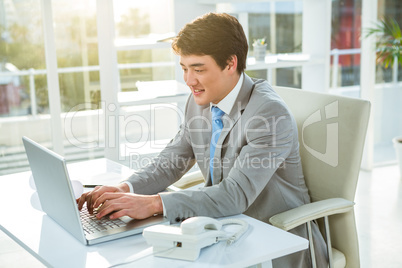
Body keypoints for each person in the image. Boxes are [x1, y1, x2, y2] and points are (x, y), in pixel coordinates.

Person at [77, 12, 328, 267]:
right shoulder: (200, 101)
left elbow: (234, 196)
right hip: (224, 231)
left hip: (276, 242)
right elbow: (172, 161)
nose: (189, 81)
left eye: (198, 69)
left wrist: (153, 204)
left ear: (230, 64)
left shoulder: (269, 113)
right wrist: (126, 188)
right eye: (184, 69)